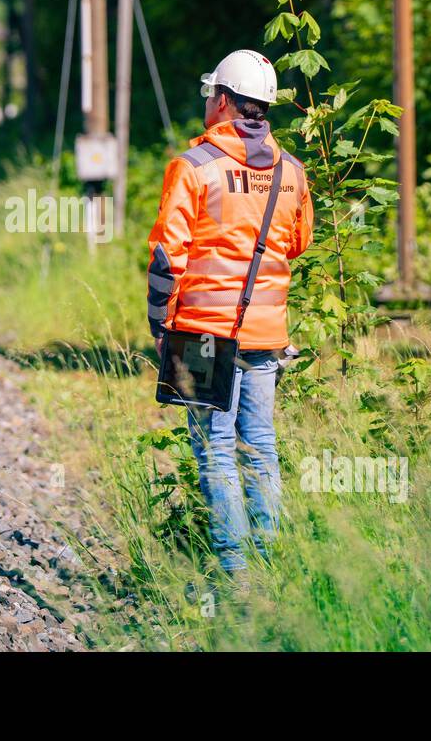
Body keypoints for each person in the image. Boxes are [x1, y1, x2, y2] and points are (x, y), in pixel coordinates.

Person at [146, 49, 313, 579]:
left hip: (200, 332)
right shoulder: (293, 172)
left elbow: (167, 258)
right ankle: (270, 566)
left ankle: (235, 575)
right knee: (260, 445)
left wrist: (159, 324)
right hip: (266, 332)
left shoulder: (194, 168)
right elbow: (299, 242)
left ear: (222, 100)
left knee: (216, 451)